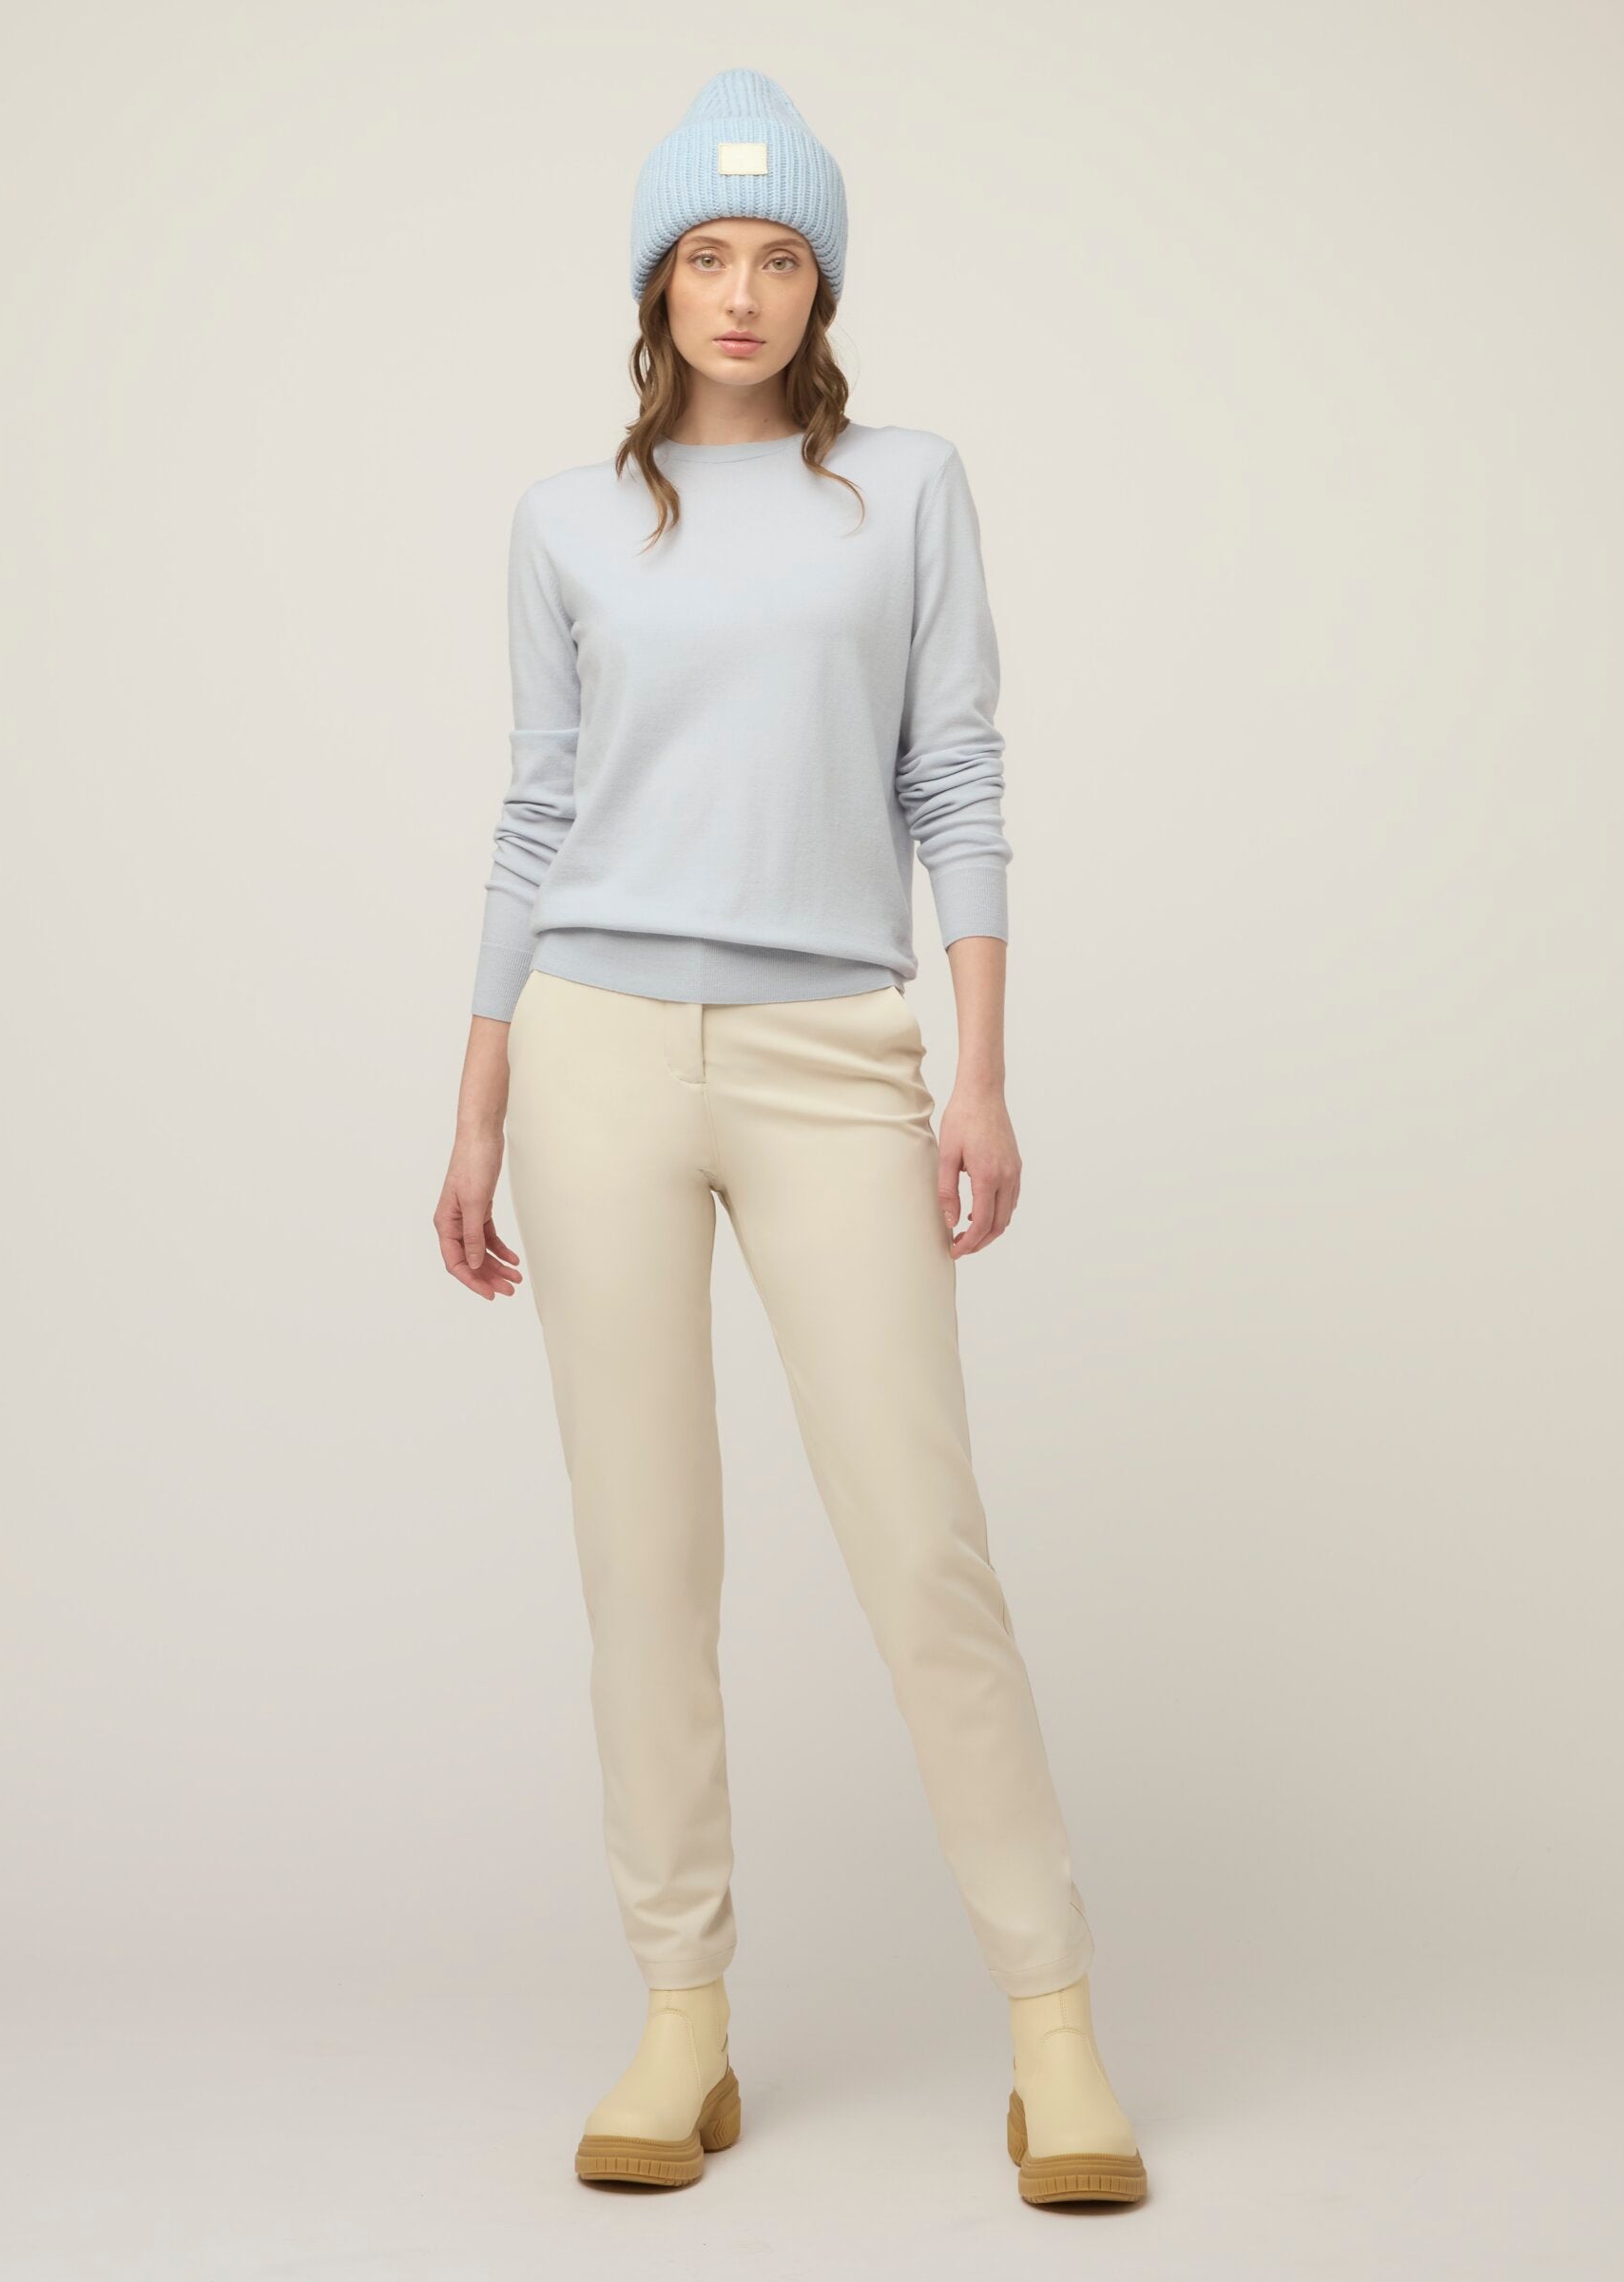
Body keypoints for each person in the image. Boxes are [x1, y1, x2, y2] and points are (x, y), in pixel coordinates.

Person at [434, 68, 1147, 2210]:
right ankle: (683, 2016)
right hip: (595, 1051)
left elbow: (958, 777)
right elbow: (534, 813)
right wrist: (475, 1102)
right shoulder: (566, 522)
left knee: (922, 1542)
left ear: (821, 286)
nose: (740, 290)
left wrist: (981, 1069)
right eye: (704, 255)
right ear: (654, 287)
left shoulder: (903, 492)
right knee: (643, 1556)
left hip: (837, 1046)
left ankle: (1053, 2025)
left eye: (778, 255)